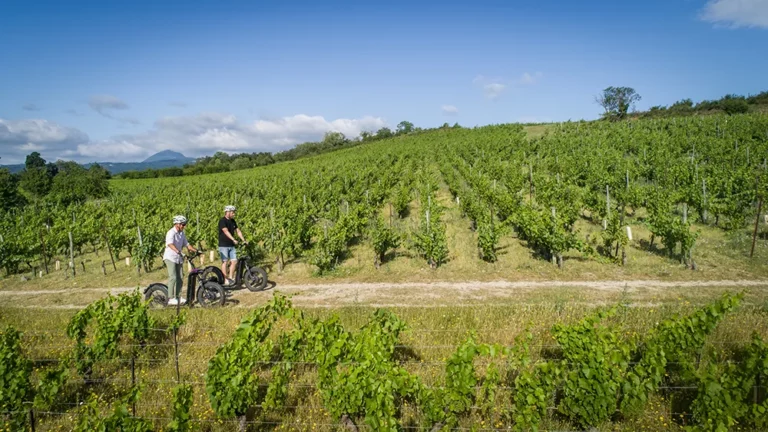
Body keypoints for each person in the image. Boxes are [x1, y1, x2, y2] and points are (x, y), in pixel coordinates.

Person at [163, 215, 197, 305]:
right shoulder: (171, 232)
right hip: (170, 257)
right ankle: (170, 298)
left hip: (178, 258)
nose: (184, 226)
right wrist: (179, 251)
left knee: (180, 277)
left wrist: (196, 251)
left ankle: (178, 297)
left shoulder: (182, 233)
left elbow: (187, 244)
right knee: (173, 277)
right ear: (177, 224)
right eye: (183, 224)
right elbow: (170, 244)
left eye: (184, 224)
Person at [218, 205, 246, 285]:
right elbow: (226, 231)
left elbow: (238, 231)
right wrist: (233, 239)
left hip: (231, 245)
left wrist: (243, 240)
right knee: (225, 262)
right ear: (228, 212)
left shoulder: (233, 221)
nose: (234, 214)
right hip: (223, 245)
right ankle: (225, 279)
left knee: (234, 261)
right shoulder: (222, 221)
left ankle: (230, 278)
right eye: (233, 212)